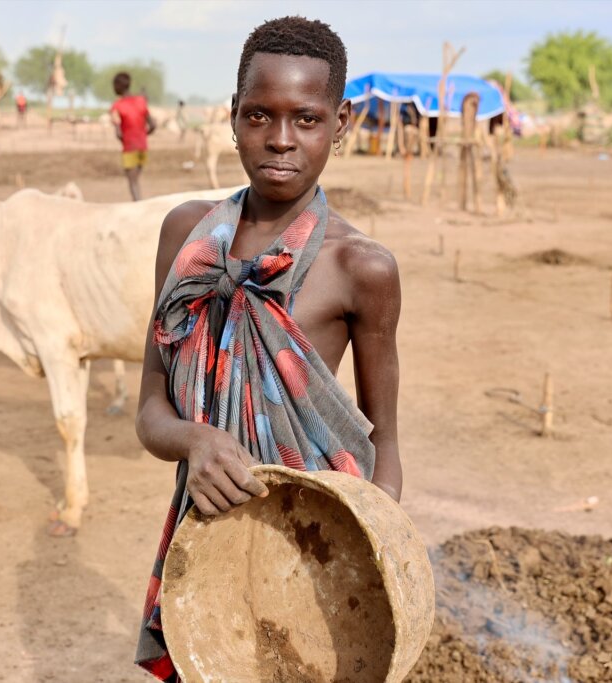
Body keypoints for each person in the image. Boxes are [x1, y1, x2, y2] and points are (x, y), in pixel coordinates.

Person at [133, 16, 403, 680]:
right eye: (260, 115)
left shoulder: (361, 266)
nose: (281, 139)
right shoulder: (185, 235)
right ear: (232, 117)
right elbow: (149, 408)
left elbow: (385, 444)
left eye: (306, 119)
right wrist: (195, 441)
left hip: (313, 549)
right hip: (207, 540)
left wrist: (377, 550)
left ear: (340, 122)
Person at [110, 72, 156, 201]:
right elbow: (153, 125)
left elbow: (118, 133)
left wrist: (125, 140)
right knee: (136, 179)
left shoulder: (117, 106)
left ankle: (138, 207)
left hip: (129, 148)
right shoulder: (141, 101)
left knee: (133, 182)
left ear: (118, 86)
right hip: (143, 147)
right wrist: (142, 135)